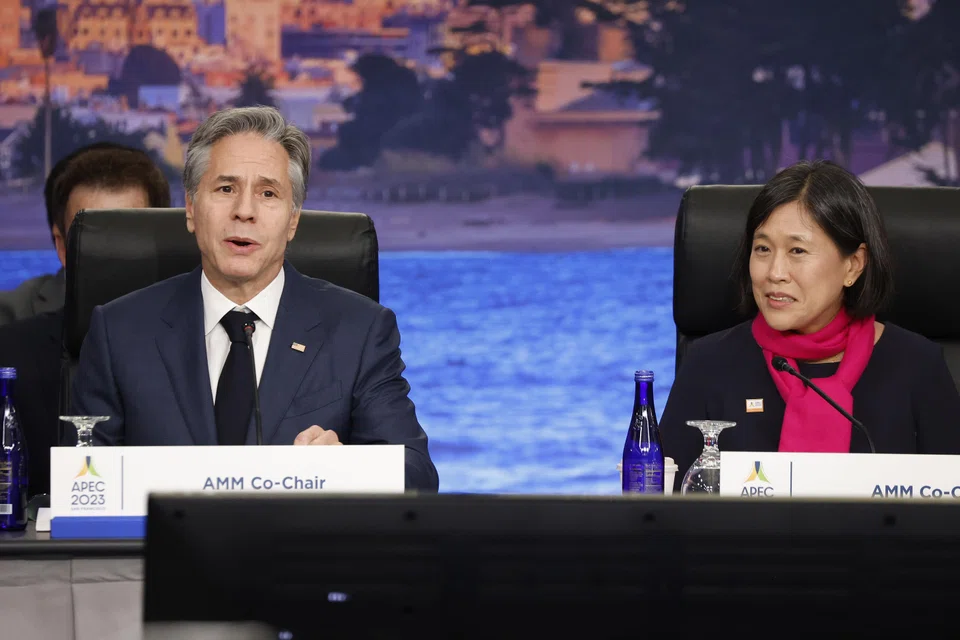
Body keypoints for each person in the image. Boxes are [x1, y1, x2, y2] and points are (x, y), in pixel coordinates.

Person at [70, 106, 439, 492]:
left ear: (293, 219)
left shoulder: (360, 331)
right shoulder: (119, 332)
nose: (244, 211)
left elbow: (415, 475)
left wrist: (343, 467)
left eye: (268, 193)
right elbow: (81, 489)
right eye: (225, 189)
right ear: (192, 209)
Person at [660, 160, 960, 491]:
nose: (775, 272)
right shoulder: (708, 364)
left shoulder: (918, 366)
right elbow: (663, 512)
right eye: (762, 249)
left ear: (853, 265)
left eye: (797, 250)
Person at [0, 143, 171, 497]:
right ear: (62, 246)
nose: (113, 257)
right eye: (95, 238)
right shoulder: (11, 343)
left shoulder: (219, 336)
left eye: (127, 236)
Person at [0, 142, 171, 326]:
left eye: (127, 232)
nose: (111, 253)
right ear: (62, 247)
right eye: (94, 234)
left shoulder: (196, 315)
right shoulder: (10, 319)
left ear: (158, 241)